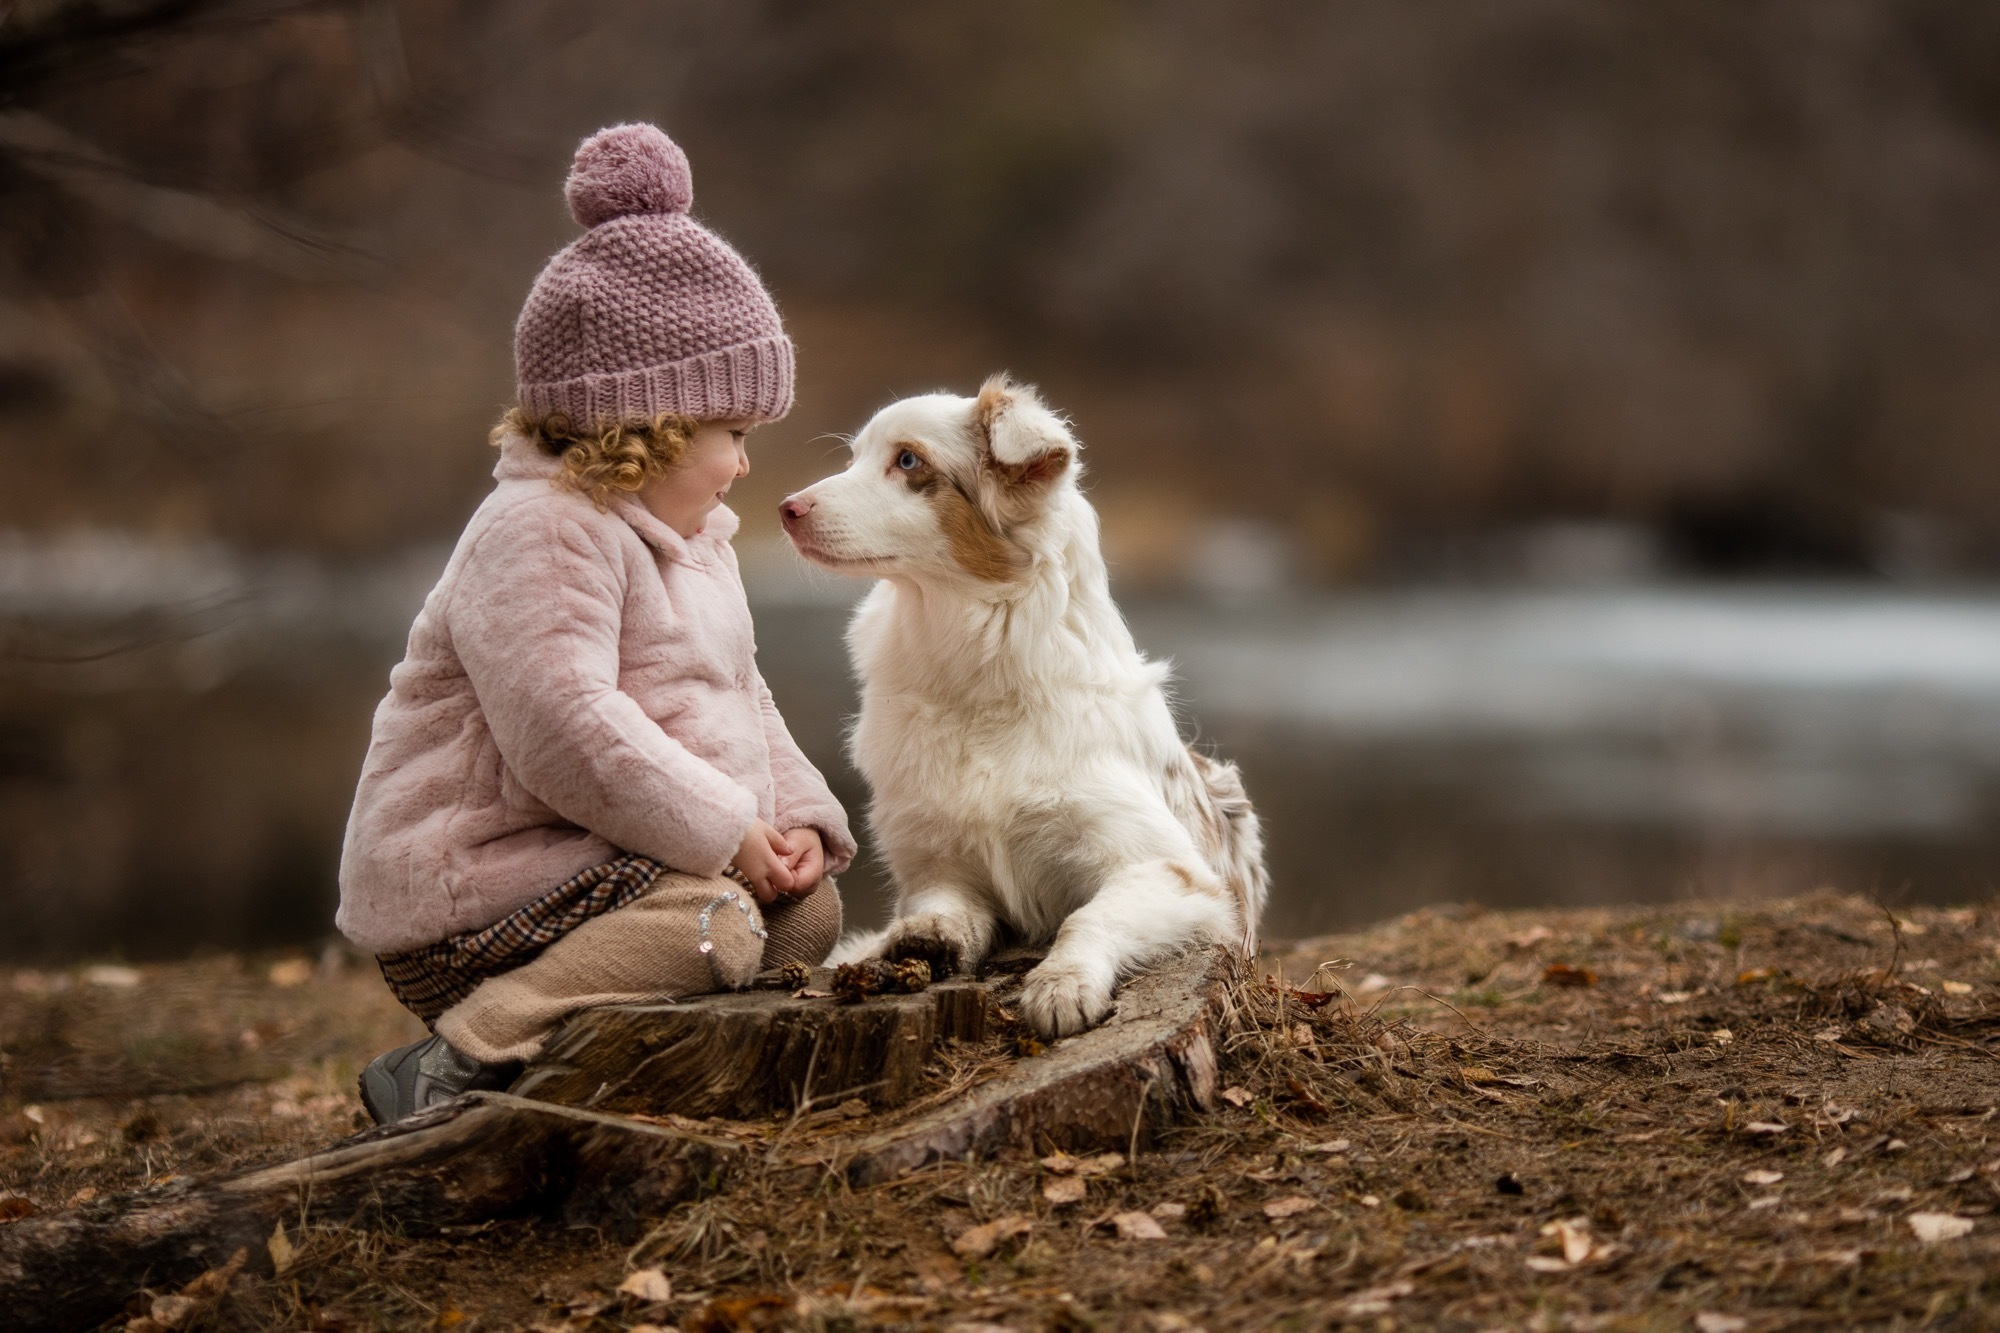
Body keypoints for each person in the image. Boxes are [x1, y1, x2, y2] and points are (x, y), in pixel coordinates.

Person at [336, 123, 854, 1124]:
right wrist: (723, 832)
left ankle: (651, 1057)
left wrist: (790, 821)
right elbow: (565, 728)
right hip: (482, 886)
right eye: (732, 434)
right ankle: (463, 1052)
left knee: (806, 913)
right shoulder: (540, 531)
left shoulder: (690, 535)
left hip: (608, 867)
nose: (745, 464)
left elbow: (738, 695)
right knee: (712, 919)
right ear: (649, 423)